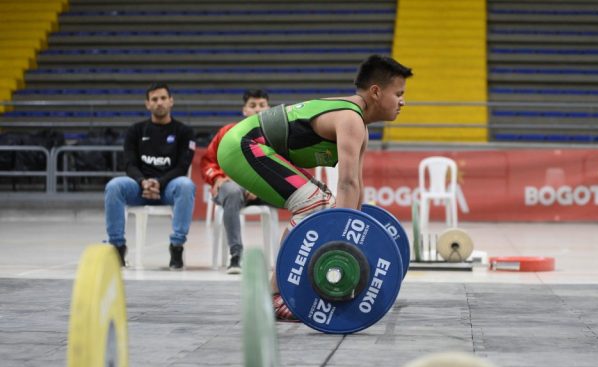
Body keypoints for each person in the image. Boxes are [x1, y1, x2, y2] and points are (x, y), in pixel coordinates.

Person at [217, 54, 412, 320]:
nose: (403, 101)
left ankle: (281, 289)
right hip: (242, 144)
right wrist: (343, 244)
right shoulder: (350, 118)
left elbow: (356, 184)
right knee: (317, 204)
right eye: (398, 94)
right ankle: (275, 294)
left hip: (254, 146)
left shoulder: (360, 126)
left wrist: (357, 234)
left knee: (327, 206)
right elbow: (346, 182)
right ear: (376, 92)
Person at [104, 83, 196, 270]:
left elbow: (182, 166)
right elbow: (129, 164)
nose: (159, 103)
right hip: (140, 187)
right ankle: (117, 247)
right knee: (114, 186)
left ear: (171, 101)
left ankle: (177, 246)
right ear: (147, 104)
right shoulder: (134, 131)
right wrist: (143, 182)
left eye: (163, 98)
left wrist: (159, 183)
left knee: (186, 185)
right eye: (154, 99)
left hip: (169, 187)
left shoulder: (185, 132)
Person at [200, 89, 271, 274]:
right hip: (229, 187)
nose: (257, 110)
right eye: (253, 106)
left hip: (263, 189)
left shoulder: (275, 136)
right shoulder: (227, 132)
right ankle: (236, 254)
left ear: (269, 108)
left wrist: (258, 185)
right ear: (244, 110)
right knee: (231, 192)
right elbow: (208, 161)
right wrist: (216, 177)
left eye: (262, 105)